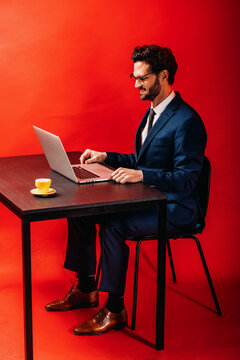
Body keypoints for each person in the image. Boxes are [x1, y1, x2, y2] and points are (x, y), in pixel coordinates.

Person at [45, 45, 207, 335]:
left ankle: (115, 309)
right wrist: (107, 157)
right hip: (150, 199)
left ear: (164, 75)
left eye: (142, 78)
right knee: (81, 212)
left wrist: (141, 174)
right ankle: (85, 289)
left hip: (177, 208)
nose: (136, 85)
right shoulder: (153, 113)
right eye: (133, 77)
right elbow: (142, 161)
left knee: (114, 224)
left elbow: (186, 179)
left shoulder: (187, 122)